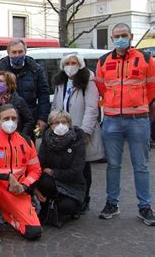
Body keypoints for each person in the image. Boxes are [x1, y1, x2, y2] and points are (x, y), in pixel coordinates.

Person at [96, 23, 155, 226]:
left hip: (138, 119)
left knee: (141, 165)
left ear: (131, 36)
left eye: (124, 35)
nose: (120, 38)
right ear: (112, 39)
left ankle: (145, 207)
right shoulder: (103, 61)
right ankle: (112, 203)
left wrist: (138, 104)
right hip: (112, 120)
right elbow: (102, 87)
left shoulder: (146, 59)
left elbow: (152, 86)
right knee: (113, 165)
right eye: (117, 36)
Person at [0, 104, 42, 244]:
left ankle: (4, 213)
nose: (11, 122)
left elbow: (35, 170)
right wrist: (7, 175)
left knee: (33, 232)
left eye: (14, 118)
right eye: (6, 118)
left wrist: (24, 186)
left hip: (16, 191)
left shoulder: (27, 141)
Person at [52, 52, 104, 213]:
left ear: (80, 65)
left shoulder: (88, 82)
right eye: (67, 63)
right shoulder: (61, 82)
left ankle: (84, 199)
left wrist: (85, 131)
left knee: (82, 166)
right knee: (68, 164)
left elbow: (91, 108)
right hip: (63, 130)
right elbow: (56, 105)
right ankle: (69, 195)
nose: (70, 66)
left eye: (74, 63)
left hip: (80, 131)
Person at [34, 110, 86, 226]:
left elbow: (76, 170)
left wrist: (53, 172)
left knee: (67, 207)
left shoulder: (77, 140)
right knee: (43, 181)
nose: (60, 125)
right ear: (50, 125)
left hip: (72, 184)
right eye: (56, 123)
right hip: (51, 182)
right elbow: (40, 164)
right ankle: (45, 208)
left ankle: (62, 207)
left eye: (64, 122)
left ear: (69, 124)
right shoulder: (46, 139)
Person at [0, 39, 50, 135]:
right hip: (5, 119)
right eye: (14, 52)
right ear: (8, 53)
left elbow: (43, 95)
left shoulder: (36, 69)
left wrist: (43, 118)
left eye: (20, 52)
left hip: (28, 120)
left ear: (25, 52)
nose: (17, 55)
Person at [0, 71, 34, 137]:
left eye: (1, 81)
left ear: (8, 84)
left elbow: (29, 121)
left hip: (13, 140)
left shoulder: (18, 101)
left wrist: (22, 136)